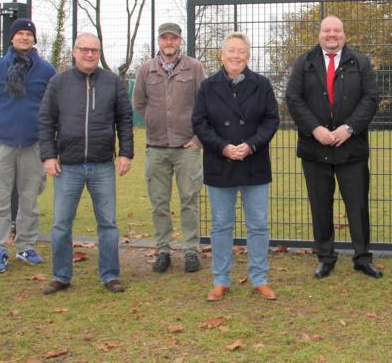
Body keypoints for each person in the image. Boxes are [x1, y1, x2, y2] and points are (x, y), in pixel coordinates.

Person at [285, 15, 381, 280]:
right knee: (320, 206)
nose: (331, 35)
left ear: (344, 34)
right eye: (327, 30)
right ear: (319, 34)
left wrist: (348, 128)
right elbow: (293, 99)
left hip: (352, 149)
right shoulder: (304, 63)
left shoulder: (360, 62)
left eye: (336, 30)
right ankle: (326, 257)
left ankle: (363, 258)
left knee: (358, 207)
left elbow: (371, 98)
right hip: (315, 149)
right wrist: (315, 129)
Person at [38, 33, 134, 294]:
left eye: (94, 50)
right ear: (74, 51)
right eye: (84, 49)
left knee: (108, 224)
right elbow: (46, 121)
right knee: (60, 224)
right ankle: (61, 276)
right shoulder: (58, 83)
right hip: (67, 166)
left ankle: (110, 274)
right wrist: (48, 155)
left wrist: (126, 153)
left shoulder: (113, 83)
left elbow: (125, 120)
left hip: (103, 165)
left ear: (99, 52)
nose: (89, 54)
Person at [191, 32, 280, 302]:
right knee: (220, 225)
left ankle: (259, 278)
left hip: (254, 164)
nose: (235, 55)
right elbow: (200, 122)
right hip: (220, 164)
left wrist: (251, 145)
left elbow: (271, 120)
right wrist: (223, 147)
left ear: (248, 55)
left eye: (241, 51)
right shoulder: (207, 86)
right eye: (231, 50)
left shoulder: (262, 84)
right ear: (222, 54)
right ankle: (220, 279)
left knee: (258, 225)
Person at [0, 18, 56, 273]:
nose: (24, 37)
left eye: (28, 34)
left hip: (34, 145)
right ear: (11, 38)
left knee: (29, 199)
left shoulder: (46, 71)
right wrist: (1, 122)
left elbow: (53, 105)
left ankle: (26, 246)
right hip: (2, 144)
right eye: (19, 33)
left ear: (34, 39)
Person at [132, 22, 206, 274]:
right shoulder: (145, 70)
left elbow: (205, 104)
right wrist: (156, 121)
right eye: (164, 38)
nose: (169, 42)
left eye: (173, 38)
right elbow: (140, 103)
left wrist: (197, 139)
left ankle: (191, 250)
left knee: (189, 200)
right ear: (159, 41)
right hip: (156, 147)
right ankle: (163, 250)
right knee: (159, 203)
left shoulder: (194, 68)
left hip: (188, 147)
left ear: (180, 41)